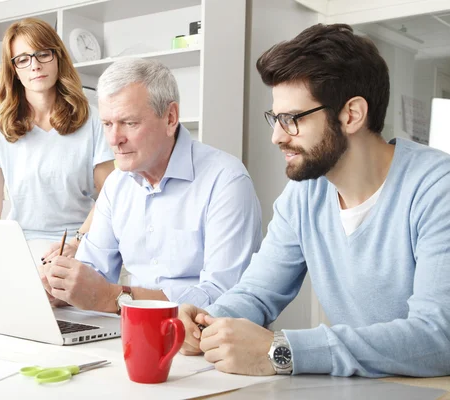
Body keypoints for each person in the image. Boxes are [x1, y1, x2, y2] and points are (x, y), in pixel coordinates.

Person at [178, 23, 450, 378]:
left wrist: (282, 351)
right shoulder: (304, 194)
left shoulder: (437, 188)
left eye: (291, 119)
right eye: (275, 119)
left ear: (351, 114)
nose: (277, 136)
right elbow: (258, 292)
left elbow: (437, 338)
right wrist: (207, 320)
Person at [39, 58, 262, 312]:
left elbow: (223, 295)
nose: (114, 139)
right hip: (133, 332)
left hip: (203, 341)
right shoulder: (116, 184)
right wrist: (62, 288)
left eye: (129, 123)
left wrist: (114, 297)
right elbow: (95, 272)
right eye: (107, 124)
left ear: (170, 118)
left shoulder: (226, 181)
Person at [0, 18, 114, 261]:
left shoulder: (92, 119)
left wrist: (78, 242)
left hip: (81, 241)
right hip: (21, 244)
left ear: (58, 57)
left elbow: (109, 196)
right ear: (14, 70)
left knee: (55, 289)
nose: (35, 66)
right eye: (23, 59)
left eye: (43, 54)